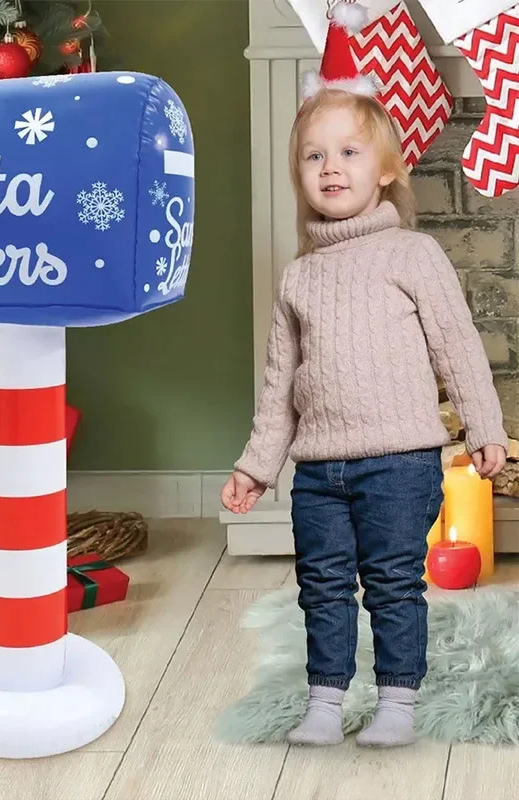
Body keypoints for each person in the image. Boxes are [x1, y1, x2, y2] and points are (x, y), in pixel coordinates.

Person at [221, 2, 508, 748]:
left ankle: (397, 704)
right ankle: (324, 701)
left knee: (391, 583)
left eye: (348, 152)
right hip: (318, 470)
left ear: (384, 169)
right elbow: (279, 387)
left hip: (399, 463)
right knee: (321, 585)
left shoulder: (412, 255)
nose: (330, 167)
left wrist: (486, 429)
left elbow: (457, 347)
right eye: (314, 156)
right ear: (299, 175)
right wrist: (256, 465)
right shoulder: (299, 277)